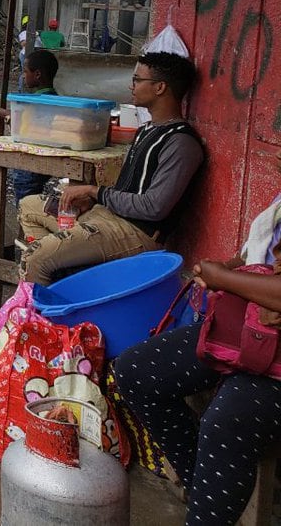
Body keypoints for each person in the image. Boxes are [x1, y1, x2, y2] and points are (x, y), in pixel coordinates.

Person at [114, 148, 281, 526]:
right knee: (136, 371)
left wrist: (223, 278)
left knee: (226, 421)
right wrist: (226, 268)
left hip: (275, 360)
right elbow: (259, 255)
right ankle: (201, 488)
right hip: (250, 327)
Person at [18, 51, 203, 285]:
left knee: (36, 257)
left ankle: (45, 315)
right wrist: (95, 201)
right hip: (106, 217)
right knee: (28, 206)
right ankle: (64, 282)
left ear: (160, 88)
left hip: (134, 232)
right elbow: (128, 188)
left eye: (137, 80)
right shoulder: (146, 130)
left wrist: (95, 192)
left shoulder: (180, 142)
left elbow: (154, 208)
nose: (131, 86)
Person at [7, 49, 60, 205]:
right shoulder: (55, 97)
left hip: (29, 162)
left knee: (25, 206)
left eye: (25, 72)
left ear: (37, 74)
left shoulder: (36, 101)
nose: (24, 76)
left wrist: (10, 116)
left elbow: (26, 127)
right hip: (43, 161)